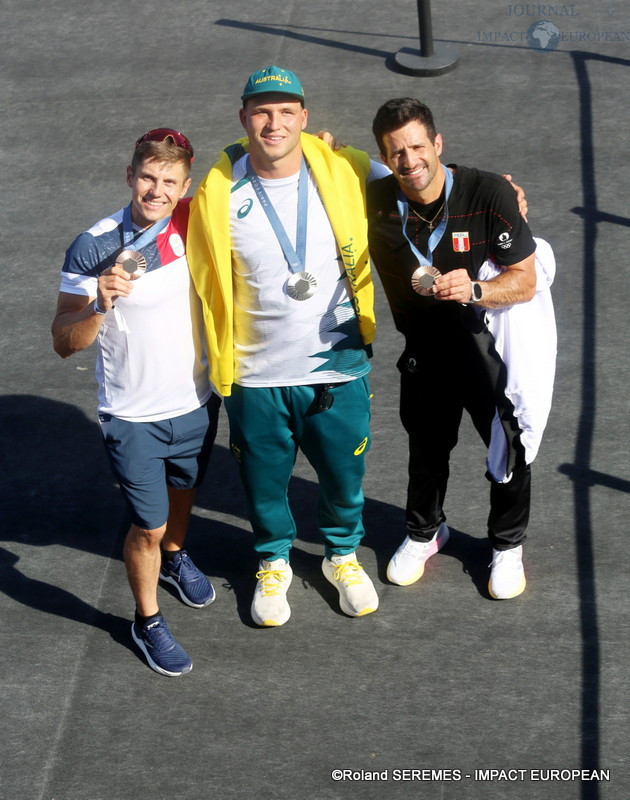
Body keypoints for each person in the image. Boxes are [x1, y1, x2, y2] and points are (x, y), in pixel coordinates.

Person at [187, 66, 387, 626]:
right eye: (261, 111)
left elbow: (420, 183)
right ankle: (272, 561)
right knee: (264, 484)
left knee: (345, 479)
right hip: (255, 373)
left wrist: (496, 194)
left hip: (338, 367)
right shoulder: (217, 193)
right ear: (243, 118)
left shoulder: (346, 170)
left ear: (305, 117)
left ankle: (341, 556)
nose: (273, 123)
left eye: (285, 112)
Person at [367, 98, 556, 600]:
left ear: (437, 144)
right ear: (385, 156)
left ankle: (507, 545)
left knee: (508, 446)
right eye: (396, 152)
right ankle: (425, 533)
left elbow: (526, 280)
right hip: (424, 348)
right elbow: (316, 166)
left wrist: (474, 289)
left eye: (416, 146)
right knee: (425, 449)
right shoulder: (377, 199)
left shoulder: (489, 192)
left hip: (484, 347)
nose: (409, 161)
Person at [52, 129, 221, 676]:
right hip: (131, 416)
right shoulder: (94, 245)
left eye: (169, 181)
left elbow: (257, 175)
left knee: (183, 493)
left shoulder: (194, 219)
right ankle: (146, 621)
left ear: (183, 186)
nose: (156, 190)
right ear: (130, 176)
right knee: (145, 525)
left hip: (196, 400)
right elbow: (62, 340)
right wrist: (98, 305)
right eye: (148, 176)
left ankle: (175, 558)